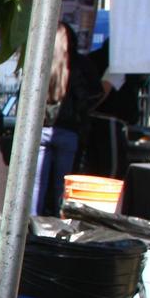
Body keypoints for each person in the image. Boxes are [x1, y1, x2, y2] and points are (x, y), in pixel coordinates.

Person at [35, 22, 100, 213]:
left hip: (41, 128)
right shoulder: (80, 64)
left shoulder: (40, 61)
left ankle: (30, 228)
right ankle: (57, 229)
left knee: (36, 186)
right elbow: (93, 94)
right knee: (62, 188)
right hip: (69, 130)